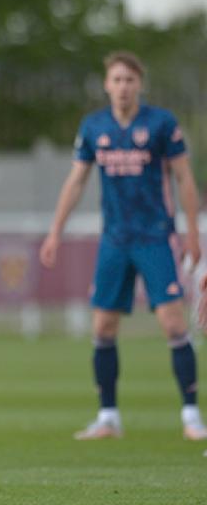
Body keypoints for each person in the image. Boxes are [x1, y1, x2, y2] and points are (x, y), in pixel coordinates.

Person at [39, 51, 206, 441]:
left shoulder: (161, 123)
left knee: (173, 323)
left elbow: (184, 179)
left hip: (155, 237)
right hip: (115, 239)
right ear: (106, 84)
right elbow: (77, 180)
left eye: (129, 80)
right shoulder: (94, 126)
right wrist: (54, 231)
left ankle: (191, 414)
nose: (123, 87)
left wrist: (193, 233)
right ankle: (109, 416)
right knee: (103, 326)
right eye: (116, 80)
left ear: (139, 85)